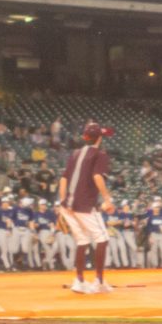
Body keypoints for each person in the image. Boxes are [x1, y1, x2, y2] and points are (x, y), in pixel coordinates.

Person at [59, 121, 116, 295]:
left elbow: (63, 179)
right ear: (99, 138)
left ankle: (79, 281)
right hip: (84, 205)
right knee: (102, 239)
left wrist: (64, 202)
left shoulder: (75, 153)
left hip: (68, 205)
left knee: (82, 241)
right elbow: (97, 176)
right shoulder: (100, 154)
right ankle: (98, 281)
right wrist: (107, 199)